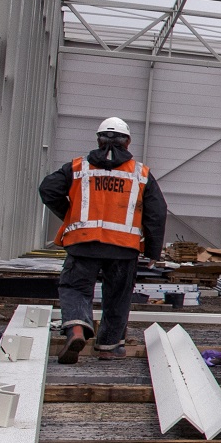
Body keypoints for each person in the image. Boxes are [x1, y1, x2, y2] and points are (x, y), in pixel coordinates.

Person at [38, 116, 168, 364]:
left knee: (75, 288)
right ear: (127, 142)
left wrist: (70, 214)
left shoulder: (78, 168)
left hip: (83, 243)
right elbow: (157, 212)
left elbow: (48, 189)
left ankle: (77, 329)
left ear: (99, 140)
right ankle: (109, 347)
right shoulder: (141, 174)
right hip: (123, 248)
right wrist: (152, 251)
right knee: (118, 296)